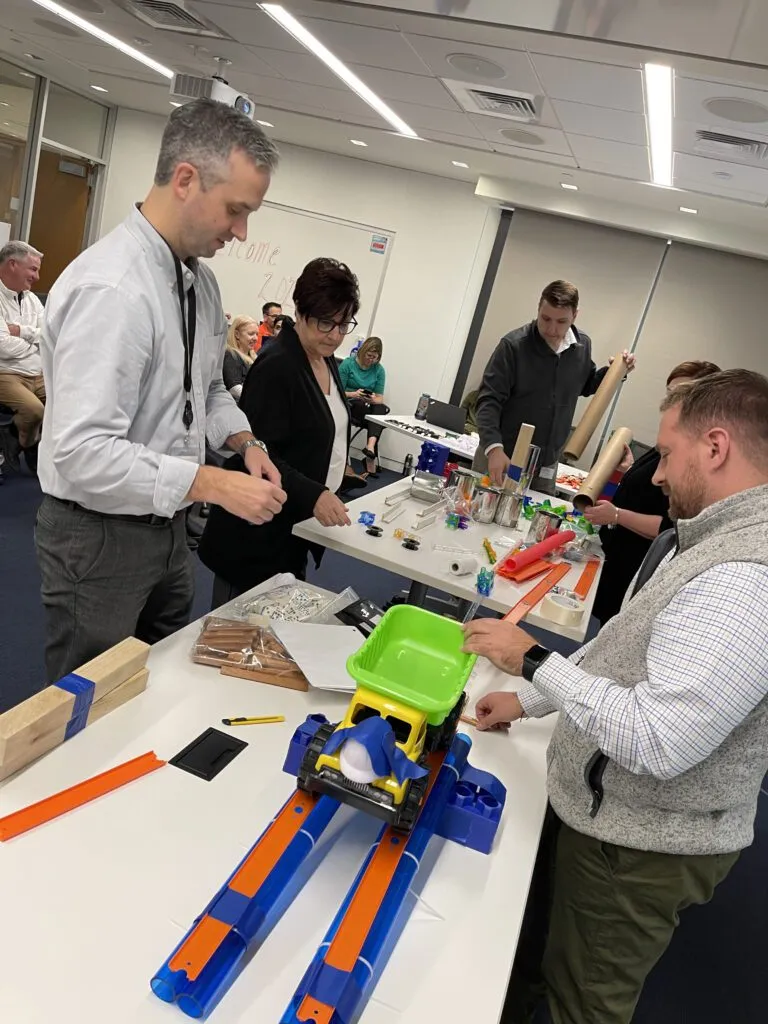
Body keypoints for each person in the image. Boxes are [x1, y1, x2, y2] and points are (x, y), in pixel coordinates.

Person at [464, 368, 768, 1024]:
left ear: (716, 448)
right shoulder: (711, 539)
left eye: (670, 454)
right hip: (610, 817)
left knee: (585, 1002)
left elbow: (659, 740)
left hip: (637, 847)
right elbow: (624, 653)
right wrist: (531, 699)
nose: (657, 475)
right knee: (540, 957)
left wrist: (533, 660)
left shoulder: (744, 577)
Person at [35, 98, 287, 683]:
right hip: (99, 534)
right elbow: (81, 452)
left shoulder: (199, 281)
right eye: (236, 210)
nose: (242, 231)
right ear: (185, 180)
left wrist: (245, 443)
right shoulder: (114, 290)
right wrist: (211, 483)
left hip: (167, 525)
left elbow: (208, 391)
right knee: (90, 701)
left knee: (156, 685)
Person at [199, 258, 357, 605]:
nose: (335, 335)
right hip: (254, 535)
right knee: (235, 629)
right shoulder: (278, 365)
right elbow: (259, 455)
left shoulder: (324, 357)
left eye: (344, 324)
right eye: (326, 322)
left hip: (291, 525)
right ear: (299, 312)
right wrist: (314, 494)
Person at [586, 359, 721, 624]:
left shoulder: (692, 458)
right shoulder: (670, 440)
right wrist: (629, 470)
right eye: (670, 393)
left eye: (681, 395)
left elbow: (672, 527)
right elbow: (652, 487)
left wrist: (617, 515)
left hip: (638, 562)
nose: (671, 403)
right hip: (619, 554)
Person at [474, 280, 635, 492]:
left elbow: (586, 385)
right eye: (546, 318)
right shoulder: (513, 346)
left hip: (546, 465)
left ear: (575, 315)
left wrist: (615, 372)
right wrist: (493, 448)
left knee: (534, 513)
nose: (551, 329)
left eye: (561, 321)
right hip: (502, 457)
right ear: (538, 309)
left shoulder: (581, 345)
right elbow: (488, 401)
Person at [0, 240, 46, 473]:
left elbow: (51, 335)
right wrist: (36, 343)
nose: (37, 277)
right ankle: (28, 442)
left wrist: (20, 331)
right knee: (34, 410)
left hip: (36, 372)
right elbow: (3, 347)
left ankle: (19, 435)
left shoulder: (31, 299)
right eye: (33, 269)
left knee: (69, 401)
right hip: (5, 373)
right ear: (12, 264)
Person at [339, 336, 388, 475]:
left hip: (367, 406)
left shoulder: (379, 370)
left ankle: (370, 447)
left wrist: (372, 399)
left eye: (374, 357)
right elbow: (338, 391)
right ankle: (370, 459)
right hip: (350, 403)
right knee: (377, 419)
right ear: (363, 351)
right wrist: (354, 394)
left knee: (381, 409)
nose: (371, 359)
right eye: (369, 355)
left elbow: (380, 398)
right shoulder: (348, 364)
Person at [222, 315, 257, 400]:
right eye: (251, 334)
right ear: (237, 334)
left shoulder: (253, 356)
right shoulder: (230, 355)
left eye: (257, 334)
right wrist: (258, 399)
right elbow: (234, 388)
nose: (255, 338)